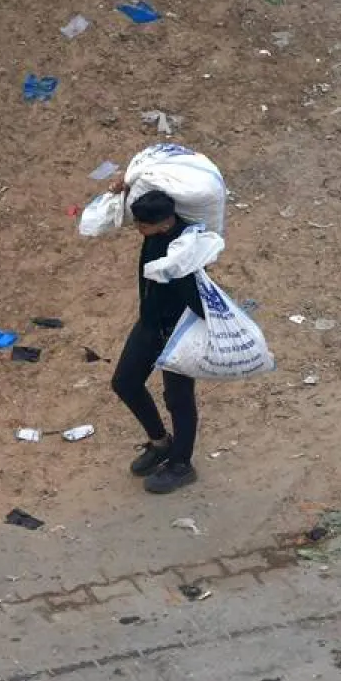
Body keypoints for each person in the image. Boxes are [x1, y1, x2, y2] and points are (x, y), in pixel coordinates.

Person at [110, 187, 205, 494]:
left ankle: (181, 464)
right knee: (125, 382)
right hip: (150, 324)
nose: (138, 229)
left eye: (143, 225)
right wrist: (122, 185)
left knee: (178, 399)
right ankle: (160, 443)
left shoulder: (186, 251)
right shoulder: (154, 232)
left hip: (180, 332)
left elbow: (199, 302)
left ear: (166, 223)